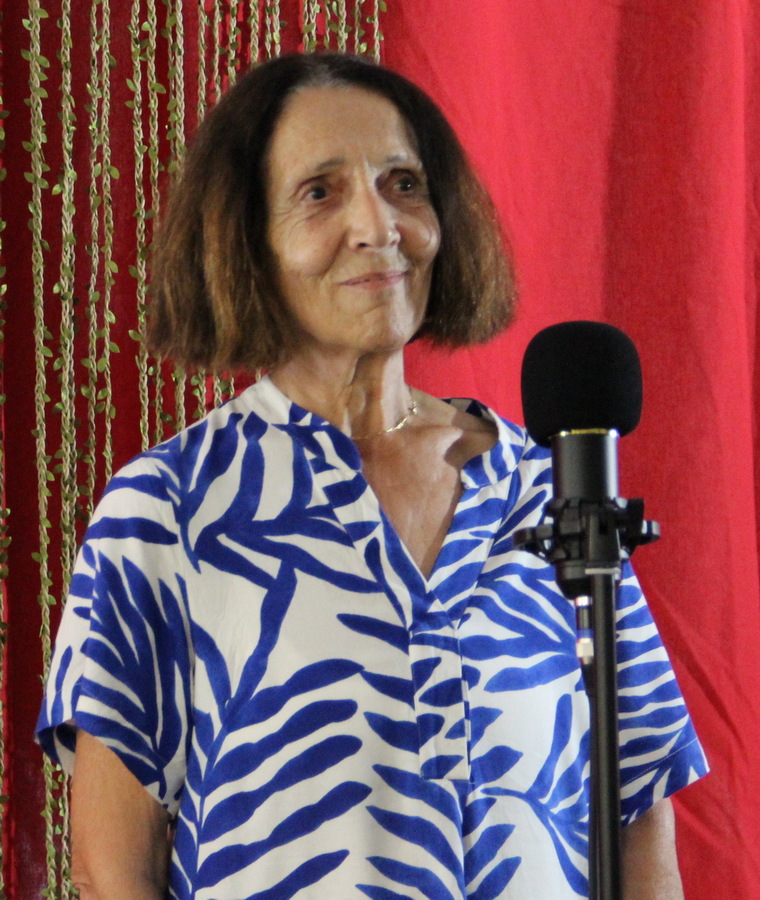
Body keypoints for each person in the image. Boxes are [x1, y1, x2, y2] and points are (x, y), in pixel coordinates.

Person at [37, 53, 707, 899]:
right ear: (246, 241)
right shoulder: (169, 510)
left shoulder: (544, 489)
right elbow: (109, 872)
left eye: (403, 184)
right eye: (321, 192)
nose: (378, 225)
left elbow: (639, 812)